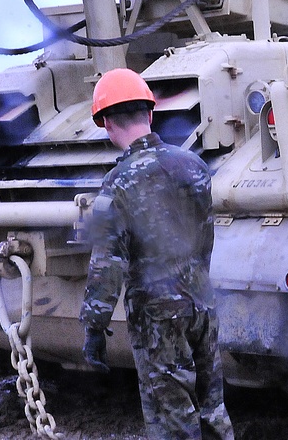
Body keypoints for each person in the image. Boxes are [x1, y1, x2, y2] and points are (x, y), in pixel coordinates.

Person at [79, 67, 234, 440]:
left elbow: (106, 263)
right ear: (150, 114)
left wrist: (94, 328)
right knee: (212, 408)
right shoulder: (195, 167)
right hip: (202, 303)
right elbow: (205, 239)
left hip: (156, 317)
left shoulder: (115, 184)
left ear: (105, 124)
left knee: (172, 417)